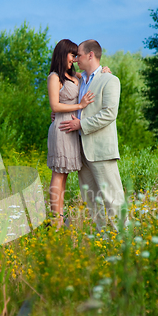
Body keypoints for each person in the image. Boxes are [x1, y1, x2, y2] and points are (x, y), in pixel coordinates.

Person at [59, 39, 125, 232]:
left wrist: (81, 124)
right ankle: (103, 243)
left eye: (79, 55)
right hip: (81, 151)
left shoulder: (110, 80)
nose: (76, 59)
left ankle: (125, 243)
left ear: (90, 55)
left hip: (101, 150)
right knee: (92, 202)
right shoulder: (80, 82)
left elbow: (109, 114)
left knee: (113, 199)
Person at [47, 39, 110, 228]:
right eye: (72, 55)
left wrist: (105, 72)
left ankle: (59, 216)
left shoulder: (76, 76)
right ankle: (55, 218)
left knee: (65, 174)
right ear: (62, 53)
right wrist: (79, 106)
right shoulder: (54, 77)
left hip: (72, 128)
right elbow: (55, 105)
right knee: (58, 173)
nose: (74, 59)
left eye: (76, 55)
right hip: (61, 128)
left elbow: (93, 77)